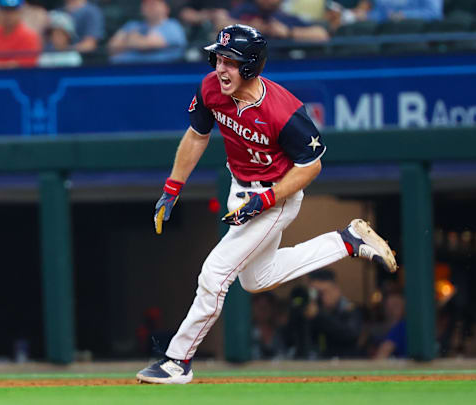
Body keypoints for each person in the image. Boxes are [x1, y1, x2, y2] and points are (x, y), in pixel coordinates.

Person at [136, 24, 397, 384]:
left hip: (277, 194)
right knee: (257, 280)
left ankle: (177, 360)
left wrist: (267, 199)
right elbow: (197, 135)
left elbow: (311, 165)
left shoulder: (284, 111)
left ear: (250, 66)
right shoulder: (211, 87)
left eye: (230, 61)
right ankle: (346, 241)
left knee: (215, 274)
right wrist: (172, 186)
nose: (220, 68)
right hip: (239, 186)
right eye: (218, 58)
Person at [304, 269, 363, 359]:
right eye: (316, 293)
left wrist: (319, 315)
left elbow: (350, 334)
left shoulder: (348, 309)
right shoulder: (316, 310)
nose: (320, 297)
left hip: (346, 363)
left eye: (323, 292)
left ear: (336, 289)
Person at [108, 0, 186, 64]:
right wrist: (138, 41)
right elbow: (112, 46)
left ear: (166, 8)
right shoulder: (131, 25)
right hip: (125, 72)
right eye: (146, 4)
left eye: (154, 3)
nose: (149, 7)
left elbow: (148, 44)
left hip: (162, 73)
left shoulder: (173, 26)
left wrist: (129, 39)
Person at [223, 0, 330, 42]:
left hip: (281, 64)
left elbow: (322, 35)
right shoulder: (245, 9)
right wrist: (248, 27)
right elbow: (220, 24)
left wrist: (288, 32)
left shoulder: (284, 15)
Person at [0, 0, 41, 68]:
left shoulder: (30, 37)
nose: (8, 15)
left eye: (13, 10)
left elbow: (25, 65)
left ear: (20, 12)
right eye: (5, 10)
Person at [373, 289, 407, 359]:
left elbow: (381, 356)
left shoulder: (401, 327)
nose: (392, 310)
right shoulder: (381, 328)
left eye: (396, 305)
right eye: (390, 306)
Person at [366, 0, 443, 22]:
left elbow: (434, 13)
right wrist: (367, 16)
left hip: (418, 40)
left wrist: (404, 15)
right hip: (385, 38)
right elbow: (379, 13)